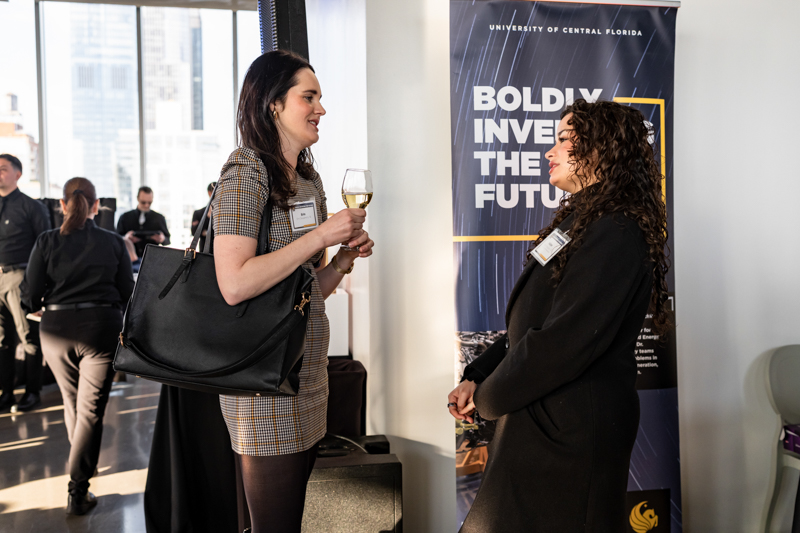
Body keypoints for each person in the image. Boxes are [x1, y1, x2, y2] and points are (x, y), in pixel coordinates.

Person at [448, 99, 671, 532]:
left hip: (571, 433)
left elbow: (564, 341)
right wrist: (478, 375)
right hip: (540, 417)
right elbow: (532, 326)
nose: (549, 153)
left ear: (601, 148)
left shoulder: (616, 229)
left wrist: (490, 398)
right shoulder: (583, 220)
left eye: (563, 140)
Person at [212, 50, 374, 533]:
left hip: (308, 376)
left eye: (320, 97)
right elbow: (235, 284)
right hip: (263, 384)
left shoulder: (308, 180)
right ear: (272, 105)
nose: (321, 108)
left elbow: (306, 289)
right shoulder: (245, 171)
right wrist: (321, 236)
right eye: (309, 97)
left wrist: (341, 262)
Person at [20, 177, 134, 515]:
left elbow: (30, 292)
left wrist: (39, 306)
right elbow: (128, 292)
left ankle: (82, 465)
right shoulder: (114, 242)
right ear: (97, 206)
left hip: (55, 328)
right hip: (100, 328)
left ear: (62, 204)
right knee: (90, 410)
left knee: (73, 402)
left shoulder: (46, 240)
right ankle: (78, 487)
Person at [0, 153, 51, 413]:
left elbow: (44, 250)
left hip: (19, 278)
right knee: (2, 340)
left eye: (3, 169)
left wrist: (37, 287)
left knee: (28, 337)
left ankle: (32, 393)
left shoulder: (32, 207)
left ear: (18, 174)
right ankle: (5, 393)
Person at [116, 186, 170, 258]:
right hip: (130, 259)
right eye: (143, 202)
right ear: (138, 199)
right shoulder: (125, 217)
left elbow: (167, 240)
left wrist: (162, 238)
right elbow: (116, 239)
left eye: (149, 202)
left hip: (152, 259)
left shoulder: (159, 218)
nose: (146, 205)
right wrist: (126, 238)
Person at [190, 182, 215, 251]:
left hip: (222, 251)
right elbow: (194, 232)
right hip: (204, 251)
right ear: (210, 193)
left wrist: (205, 232)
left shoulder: (224, 214)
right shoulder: (199, 213)